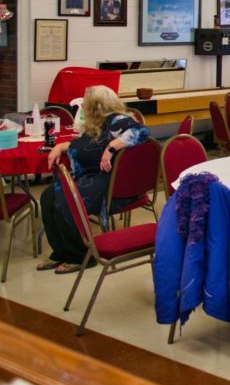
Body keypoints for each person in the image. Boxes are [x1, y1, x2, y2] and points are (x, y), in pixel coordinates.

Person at [38, 85, 150, 274]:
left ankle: (80, 256)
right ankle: (60, 252)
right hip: (88, 176)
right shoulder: (97, 123)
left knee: (64, 201)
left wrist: (112, 147)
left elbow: (142, 132)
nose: (82, 107)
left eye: (86, 103)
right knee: (47, 197)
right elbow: (83, 143)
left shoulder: (117, 120)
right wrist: (60, 147)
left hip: (105, 180)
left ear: (95, 105)